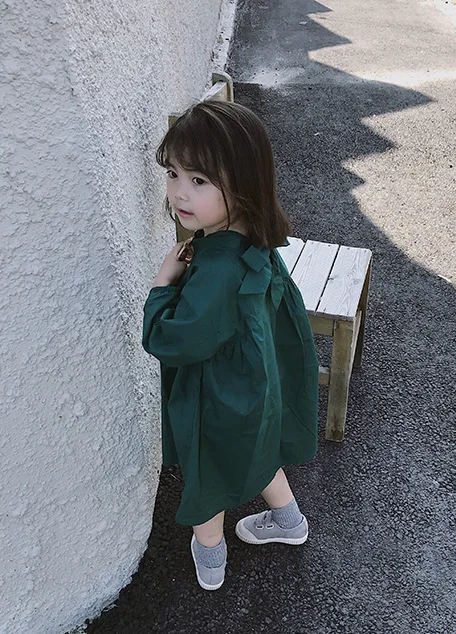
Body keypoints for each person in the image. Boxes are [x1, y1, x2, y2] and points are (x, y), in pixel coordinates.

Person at [142, 100, 319, 591]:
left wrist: (162, 285)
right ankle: (288, 521)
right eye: (173, 174)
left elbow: (171, 339)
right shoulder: (253, 235)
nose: (180, 192)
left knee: (208, 473)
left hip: (218, 393)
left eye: (199, 180)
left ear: (241, 181)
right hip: (258, 380)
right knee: (260, 448)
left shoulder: (216, 268)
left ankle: (211, 557)